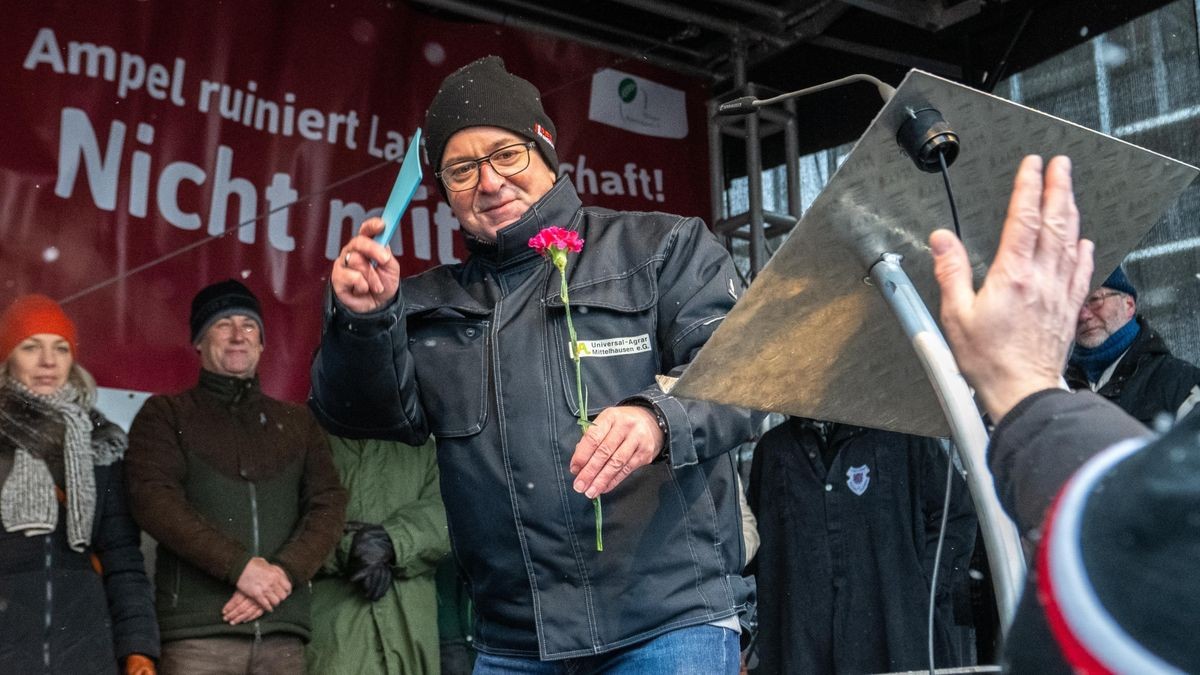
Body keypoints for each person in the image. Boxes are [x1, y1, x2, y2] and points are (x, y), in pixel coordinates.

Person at [310, 55, 757, 671]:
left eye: (506, 154)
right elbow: (356, 413)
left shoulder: (662, 247)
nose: (488, 182)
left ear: (546, 152)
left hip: (670, 623)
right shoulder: (423, 303)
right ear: (443, 193)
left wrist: (659, 416)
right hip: (515, 641)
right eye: (461, 169)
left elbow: (746, 374)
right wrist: (362, 321)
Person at [930, 154, 1198, 672]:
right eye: (1082, 301)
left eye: (1102, 298)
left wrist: (1023, 389)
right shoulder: (1069, 379)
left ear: (1130, 306)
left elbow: (1171, 525)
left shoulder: (1180, 382)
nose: (1087, 311)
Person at [125, 279, 347, 674]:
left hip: (281, 632)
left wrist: (282, 573)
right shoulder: (165, 415)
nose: (237, 335)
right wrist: (241, 568)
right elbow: (154, 501)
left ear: (262, 344)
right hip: (199, 635)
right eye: (222, 323)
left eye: (249, 325)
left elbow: (328, 504)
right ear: (198, 340)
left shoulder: (297, 423)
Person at [0, 294, 159, 674]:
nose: (48, 362)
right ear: (8, 359)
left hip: (86, 648)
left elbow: (122, 558)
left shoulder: (100, 445)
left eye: (60, 348)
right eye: (30, 347)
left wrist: (138, 648)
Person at [747, 418, 976, 674]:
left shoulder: (903, 434)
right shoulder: (774, 450)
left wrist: (924, 588)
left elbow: (956, 514)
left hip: (894, 638)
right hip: (804, 644)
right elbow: (757, 545)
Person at [306, 435, 449, 675]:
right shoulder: (310, 443)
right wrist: (350, 547)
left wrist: (393, 540)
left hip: (409, 636)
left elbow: (450, 514)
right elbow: (287, 522)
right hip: (336, 637)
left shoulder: (423, 447)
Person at [1066, 265, 1200, 425]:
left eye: (1095, 299)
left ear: (1129, 305)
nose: (1083, 315)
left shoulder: (1180, 383)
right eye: (1074, 304)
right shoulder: (1058, 388)